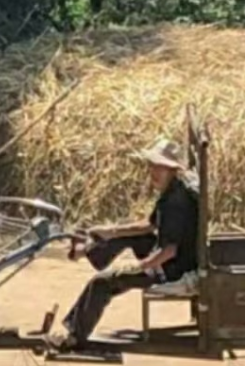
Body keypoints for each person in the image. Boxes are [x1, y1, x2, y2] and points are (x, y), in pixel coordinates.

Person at [45, 137, 199, 351]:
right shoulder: (173, 191)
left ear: (172, 170)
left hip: (171, 268)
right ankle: (87, 252)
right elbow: (149, 225)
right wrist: (110, 231)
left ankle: (75, 336)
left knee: (102, 283)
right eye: (152, 166)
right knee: (126, 234)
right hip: (172, 257)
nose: (154, 172)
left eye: (160, 168)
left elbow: (169, 251)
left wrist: (140, 267)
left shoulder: (176, 203)